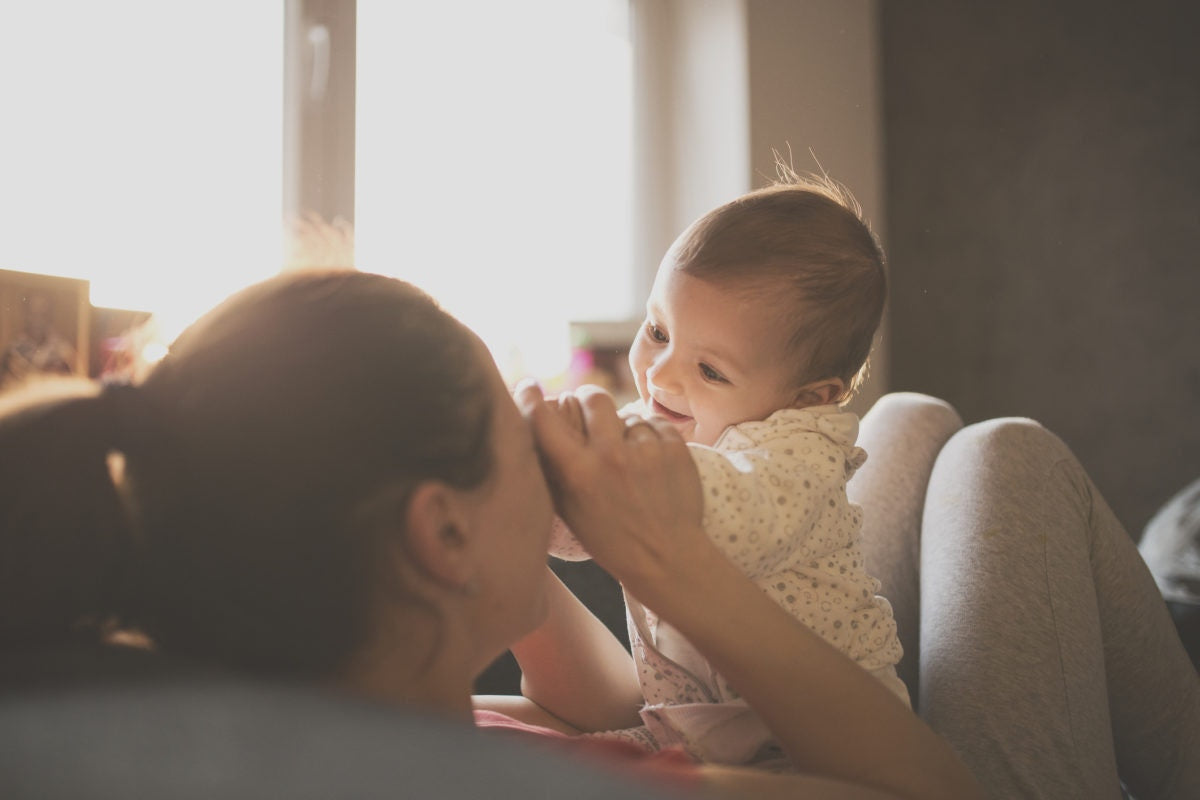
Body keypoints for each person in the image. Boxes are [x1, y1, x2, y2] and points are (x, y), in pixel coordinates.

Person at [0, 268, 983, 800]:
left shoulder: (407, 716)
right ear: (440, 531)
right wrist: (666, 552)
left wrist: (505, 535)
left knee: (913, 427)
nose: (542, 427)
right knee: (985, 453)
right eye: (513, 432)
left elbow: (602, 704)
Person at [544, 173, 906, 767]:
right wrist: (543, 486)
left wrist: (616, 467)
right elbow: (587, 535)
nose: (661, 375)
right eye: (658, 331)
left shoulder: (803, 452)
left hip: (831, 739)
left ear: (811, 397)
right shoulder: (659, 419)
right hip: (696, 726)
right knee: (570, 762)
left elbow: (741, 519)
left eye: (710, 371)